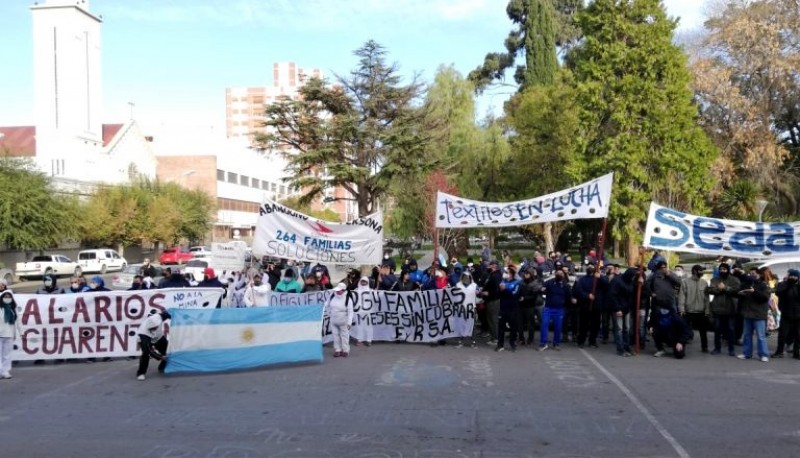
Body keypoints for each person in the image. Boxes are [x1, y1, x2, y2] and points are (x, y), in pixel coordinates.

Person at [736, 267, 771, 362]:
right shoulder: (747, 284)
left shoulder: (764, 285)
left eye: (754, 273)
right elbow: (738, 293)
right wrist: (741, 293)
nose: (752, 274)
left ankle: (763, 354)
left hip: (759, 314)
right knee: (747, 335)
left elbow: (765, 298)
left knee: (760, 336)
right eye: (750, 273)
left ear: (759, 274)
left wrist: (754, 292)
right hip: (747, 313)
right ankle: (747, 353)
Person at [573, 263, 609, 349]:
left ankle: (592, 341)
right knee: (583, 324)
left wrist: (600, 277)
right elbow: (578, 290)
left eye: (592, 267)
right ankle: (581, 341)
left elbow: (607, 286)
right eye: (589, 268)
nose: (590, 269)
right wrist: (587, 295)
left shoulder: (599, 279)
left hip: (596, 305)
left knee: (595, 324)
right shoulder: (582, 279)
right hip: (585, 305)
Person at [708, 262, 740, 356]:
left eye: (724, 269)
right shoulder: (715, 279)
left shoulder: (734, 279)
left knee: (730, 330)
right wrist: (720, 289)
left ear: (728, 270)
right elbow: (710, 290)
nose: (722, 271)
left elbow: (737, 291)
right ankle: (717, 348)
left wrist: (725, 288)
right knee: (717, 329)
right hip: (717, 308)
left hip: (730, 309)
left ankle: (731, 349)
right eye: (721, 269)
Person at [539, 269, 575, 351]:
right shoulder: (549, 282)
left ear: (563, 275)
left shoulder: (566, 285)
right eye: (557, 273)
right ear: (555, 274)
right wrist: (541, 289)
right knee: (544, 325)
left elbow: (569, 296)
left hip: (559, 309)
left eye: (561, 273)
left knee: (558, 327)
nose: (559, 274)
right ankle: (543, 343)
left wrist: (572, 299)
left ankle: (556, 344)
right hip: (548, 308)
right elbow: (542, 288)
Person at [679, 265, 711, 353]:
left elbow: (706, 298)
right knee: (684, 330)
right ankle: (681, 348)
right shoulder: (685, 282)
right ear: (695, 271)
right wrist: (681, 309)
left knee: (703, 331)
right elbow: (682, 297)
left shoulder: (704, 283)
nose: (702, 272)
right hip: (688, 311)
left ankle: (704, 347)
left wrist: (707, 310)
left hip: (701, 311)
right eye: (700, 271)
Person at [135, 311, 171, 381]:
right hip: (148, 339)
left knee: (168, 350)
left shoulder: (159, 317)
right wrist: (160, 357)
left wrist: (175, 315)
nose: (154, 329)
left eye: (155, 327)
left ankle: (162, 368)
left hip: (159, 337)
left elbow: (169, 314)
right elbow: (149, 350)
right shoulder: (143, 334)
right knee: (145, 354)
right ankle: (141, 373)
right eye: (152, 328)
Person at [610, 267, 637, 357]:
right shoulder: (617, 281)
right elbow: (613, 296)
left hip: (626, 308)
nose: (634, 278)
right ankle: (620, 349)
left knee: (626, 329)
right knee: (620, 329)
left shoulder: (630, 282)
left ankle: (627, 347)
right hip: (619, 309)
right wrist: (617, 309)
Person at [773, 269, 800, 359]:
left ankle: (797, 352)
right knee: (782, 334)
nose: (793, 278)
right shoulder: (783, 284)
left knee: (798, 335)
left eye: (795, 276)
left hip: (798, 315)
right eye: (791, 276)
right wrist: (789, 284)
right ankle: (779, 351)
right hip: (786, 313)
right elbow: (778, 293)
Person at [496, 266, 521, 352]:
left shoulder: (516, 283)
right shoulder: (502, 282)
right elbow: (498, 294)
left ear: (511, 274)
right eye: (505, 272)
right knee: (501, 327)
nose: (505, 274)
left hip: (512, 308)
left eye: (507, 272)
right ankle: (500, 344)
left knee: (513, 327)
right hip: (503, 308)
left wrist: (505, 289)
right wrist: (499, 289)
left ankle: (512, 343)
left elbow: (514, 294)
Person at [327, 283, 354, 357]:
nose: (337, 292)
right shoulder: (332, 296)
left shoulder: (348, 299)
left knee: (344, 336)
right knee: (335, 335)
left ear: (343, 290)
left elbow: (350, 312)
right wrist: (329, 314)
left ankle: (345, 350)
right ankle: (337, 350)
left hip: (343, 321)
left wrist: (349, 322)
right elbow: (327, 305)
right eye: (337, 290)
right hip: (333, 320)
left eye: (339, 290)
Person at [479, 260, 502, 346]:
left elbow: (496, 290)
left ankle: (495, 338)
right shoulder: (493, 275)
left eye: (490, 265)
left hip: (493, 300)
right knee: (490, 319)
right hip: (490, 300)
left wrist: (487, 293)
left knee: (493, 319)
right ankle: (493, 337)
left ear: (494, 266)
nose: (489, 267)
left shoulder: (496, 276)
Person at [518, 268, 543, 347]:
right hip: (521, 306)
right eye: (525, 274)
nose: (525, 275)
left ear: (531, 275)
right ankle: (521, 338)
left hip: (530, 306)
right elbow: (518, 292)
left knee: (530, 324)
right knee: (520, 323)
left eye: (527, 274)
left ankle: (530, 339)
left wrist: (524, 298)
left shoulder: (534, 283)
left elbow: (534, 296)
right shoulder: (521, 282)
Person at [0, 290, 21, 379]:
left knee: (7, 354)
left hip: (9, 334)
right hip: (0, 334)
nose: (7, 298)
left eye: (9, 297)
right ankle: (1, 371)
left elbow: (18, 321)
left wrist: (21, 332)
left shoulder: (13, 308)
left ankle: (5, 371)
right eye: (5, 296)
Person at [453, 272, 477, 348]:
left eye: (468, 277)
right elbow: (453, 294)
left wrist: (479, 293)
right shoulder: (458, 285)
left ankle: (473, 341)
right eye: (465, 277)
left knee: (472, 326)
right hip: (461, 308)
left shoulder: (475, 286)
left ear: (470, 278)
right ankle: (460, 341)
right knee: (460, 325)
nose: (466, 279)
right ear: (462, 277)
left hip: (471, 308)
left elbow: (479, 294)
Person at [354, 276, 373, 346]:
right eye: (362, 281)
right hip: (359, 311)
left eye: (365, 281)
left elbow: (376, 298)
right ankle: (360, 339)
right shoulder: (356, 290)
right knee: (359, 326)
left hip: (368, 311)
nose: (363, 283)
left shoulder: (371, 291)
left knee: (368, 325)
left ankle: (369, 340)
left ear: (367, 282)